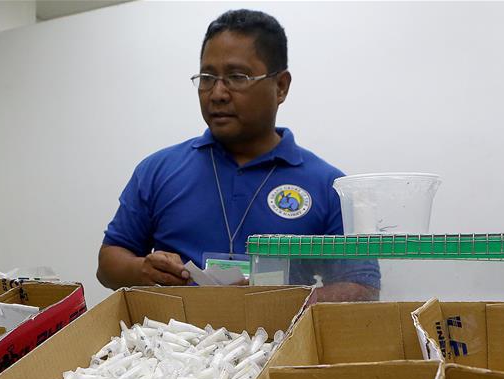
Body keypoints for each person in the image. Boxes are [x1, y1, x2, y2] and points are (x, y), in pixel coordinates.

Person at [97, 9, 379, 301]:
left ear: (280, 86)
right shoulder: (157, 170)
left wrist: (277, 299)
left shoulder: (329, 185)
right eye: (207, 77)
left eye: (236, 77)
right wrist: (142, 269)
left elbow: (363, 287)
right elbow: (108, 263)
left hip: (287, 341)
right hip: (176, 342)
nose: (217, 93)